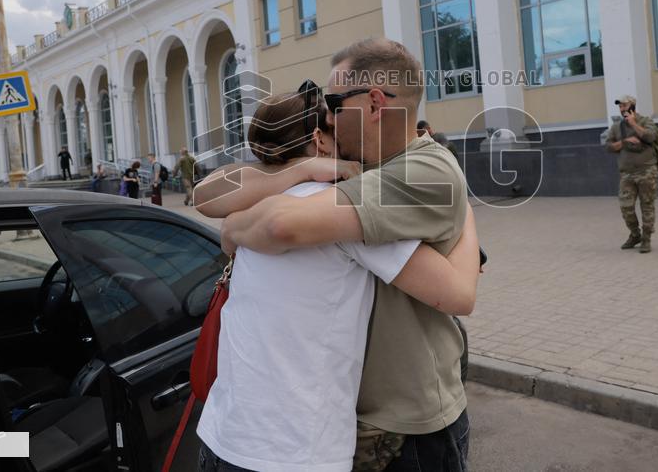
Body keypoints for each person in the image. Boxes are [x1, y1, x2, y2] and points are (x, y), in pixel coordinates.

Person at [196, 38, 473, 471]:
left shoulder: (420, 174)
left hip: (406, 426)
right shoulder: (358, 170)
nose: (326, 117)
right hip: (351, 421)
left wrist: (234, 228)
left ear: (375, 104)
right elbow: (206, 193)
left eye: (333, 104)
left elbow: (460, 294)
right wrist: (302, 169)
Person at [605, 95, 658, 253]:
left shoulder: (645, 121)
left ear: (633, 105)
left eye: (625, 105)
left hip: (647, 171)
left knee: (647, 206)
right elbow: (608, 147)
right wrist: (624, 142)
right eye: (620, 106)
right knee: (625, 206)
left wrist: (634, 124)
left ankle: (646, 239)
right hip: (627, 174)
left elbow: (650, 136)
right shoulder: (616, 127)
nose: (622, 109)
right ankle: (635, 234)